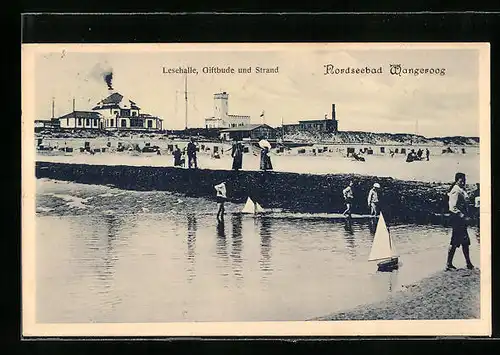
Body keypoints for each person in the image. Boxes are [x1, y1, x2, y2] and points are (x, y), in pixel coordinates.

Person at [446, 172, 474, 271]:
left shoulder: (461, 189)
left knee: (464, 241)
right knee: (455, 241)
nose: (464, 182)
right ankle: (449, 264)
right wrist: (463, 216)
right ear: (458, 180)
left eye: (464, 180)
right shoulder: (456, 190)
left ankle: (468, 263)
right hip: (458, 220)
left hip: (461, 220)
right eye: (462, 180)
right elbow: (452, 207)